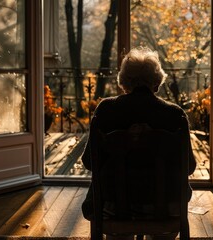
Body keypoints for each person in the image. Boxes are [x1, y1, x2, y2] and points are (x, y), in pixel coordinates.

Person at [81, 47, 196, 240]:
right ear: (157, 83)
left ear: (124, 82)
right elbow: (189, 167)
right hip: (167, 207)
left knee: (113, 210)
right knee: (169, 210)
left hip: (112, 206)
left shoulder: (106, 110)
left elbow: (89, 162)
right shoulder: (175, 115)